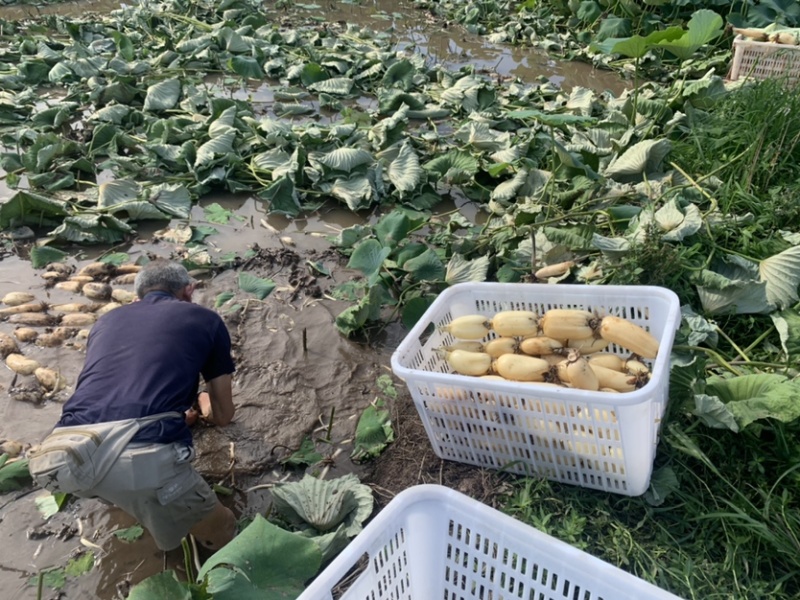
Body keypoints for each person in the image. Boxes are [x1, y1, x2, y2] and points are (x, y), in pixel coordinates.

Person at [52, 259, 237, 552]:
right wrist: (202, 398)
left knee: (126, 487)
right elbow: (224, 415)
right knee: (224, 528)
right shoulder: (205, 319)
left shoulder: (105, 322)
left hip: (63, 454)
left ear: (137, 298)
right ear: (189, 291)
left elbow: (113, 396)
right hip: (137, 458)